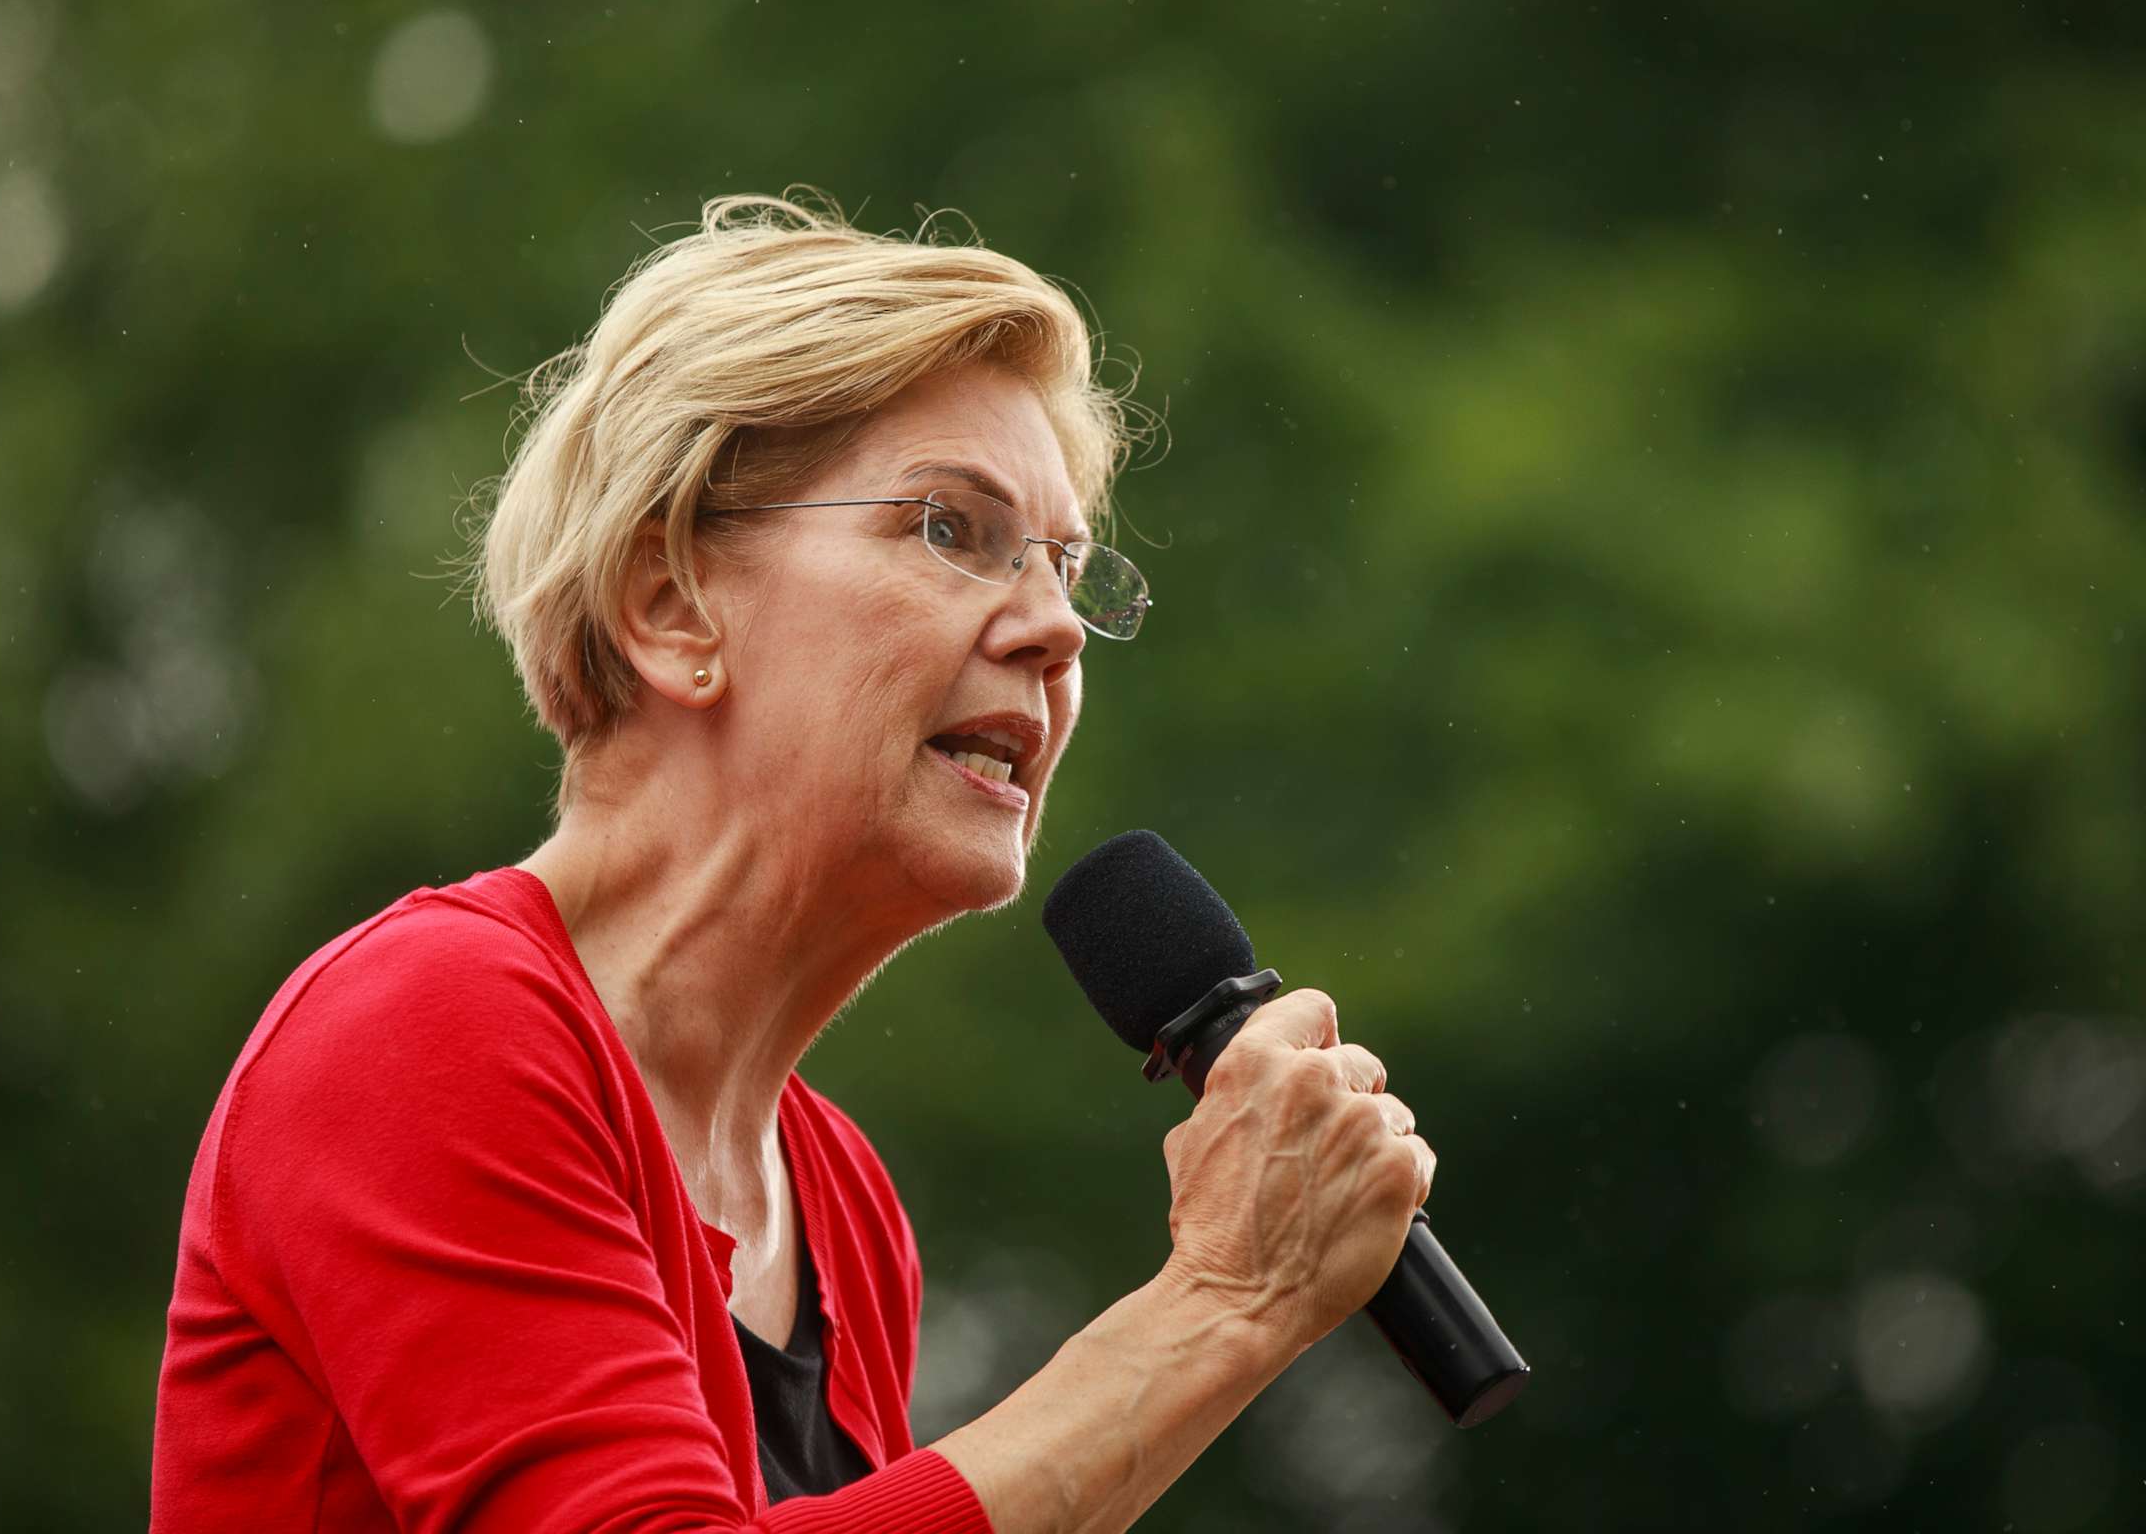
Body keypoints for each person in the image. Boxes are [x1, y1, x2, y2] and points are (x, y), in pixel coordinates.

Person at [150, 192, 1437, 1534]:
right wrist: (1222, 1303)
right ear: (671, 607)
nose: (1057, 630)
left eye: (1067, 569)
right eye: (951, 528)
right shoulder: (425, 1025)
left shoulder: (840, 1203)